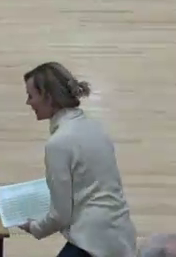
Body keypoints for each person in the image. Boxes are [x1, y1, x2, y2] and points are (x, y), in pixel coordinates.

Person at [16, 62, 137, 257]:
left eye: (31, 96)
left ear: (48, 97)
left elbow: (60, 215)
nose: (28, 103)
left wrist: (35, 227)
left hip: (91, 243)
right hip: (121, 238)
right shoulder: (95, 127)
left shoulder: (58, 143)